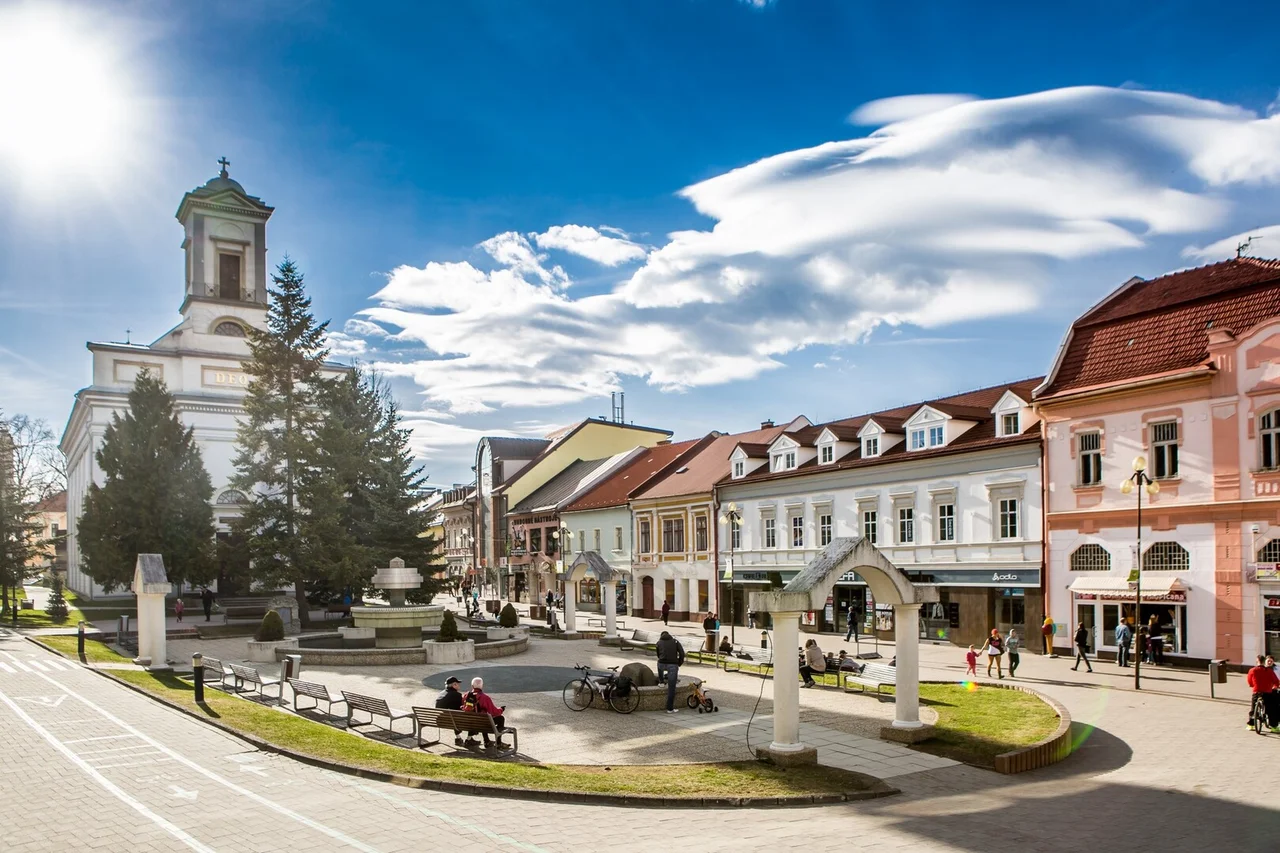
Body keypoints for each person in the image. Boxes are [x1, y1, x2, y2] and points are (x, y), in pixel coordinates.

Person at [461, 676, 508, 749]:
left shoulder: (466, 695)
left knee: (482, 717)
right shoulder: (485, 698)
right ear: (482, 686)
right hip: (482, 723)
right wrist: (501, 709)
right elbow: (494, 712)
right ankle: (498, 742)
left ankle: (487, 741)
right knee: (500, 718)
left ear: (472, 686)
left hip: (470, 723)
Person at [1246, 654, 1280, 731]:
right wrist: (1276, 686)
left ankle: (1251, 725)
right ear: (1264, 661)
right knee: (1271, 709)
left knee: (1253, 708)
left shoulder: (1252, 670)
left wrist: (1252, 685)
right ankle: (1274, 726)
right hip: (1268, 692)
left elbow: (1249, 681)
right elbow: (1276, 681)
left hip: (1256, 691)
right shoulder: (1269, 671)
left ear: (1257, 661)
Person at [655, 630, 685, 713]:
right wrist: (679, 663)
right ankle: (670, 708)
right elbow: (682, 653)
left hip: (662, 664)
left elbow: (658, 655)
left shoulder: (659, 642)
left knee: (659, 664)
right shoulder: (675, 642)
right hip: (672, 665)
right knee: (671, 687)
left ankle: (661, 681)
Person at [434, 676, 466, 746]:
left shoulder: (441, 693)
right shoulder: (456, 695)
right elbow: (460, 710)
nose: (459, 685)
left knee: (453, 715)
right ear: (454, 685)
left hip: (440, 720)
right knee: (471, 716)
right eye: (457, 683)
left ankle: (458, 737)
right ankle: (469, 739)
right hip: (451, 721)